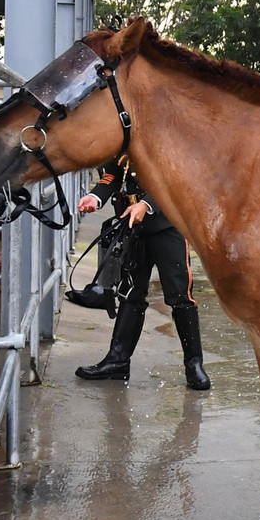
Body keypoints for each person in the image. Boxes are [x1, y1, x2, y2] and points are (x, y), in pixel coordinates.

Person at [73, 157, 211, 391]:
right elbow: (114, 173)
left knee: (179, 294)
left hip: (167, 225)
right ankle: (117, 361)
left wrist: (146, 204)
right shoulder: (122, 135)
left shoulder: (164, 129)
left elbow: (174, 176)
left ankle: (194, 364)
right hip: (131, 223)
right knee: (130, 292)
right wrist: (96, 197)